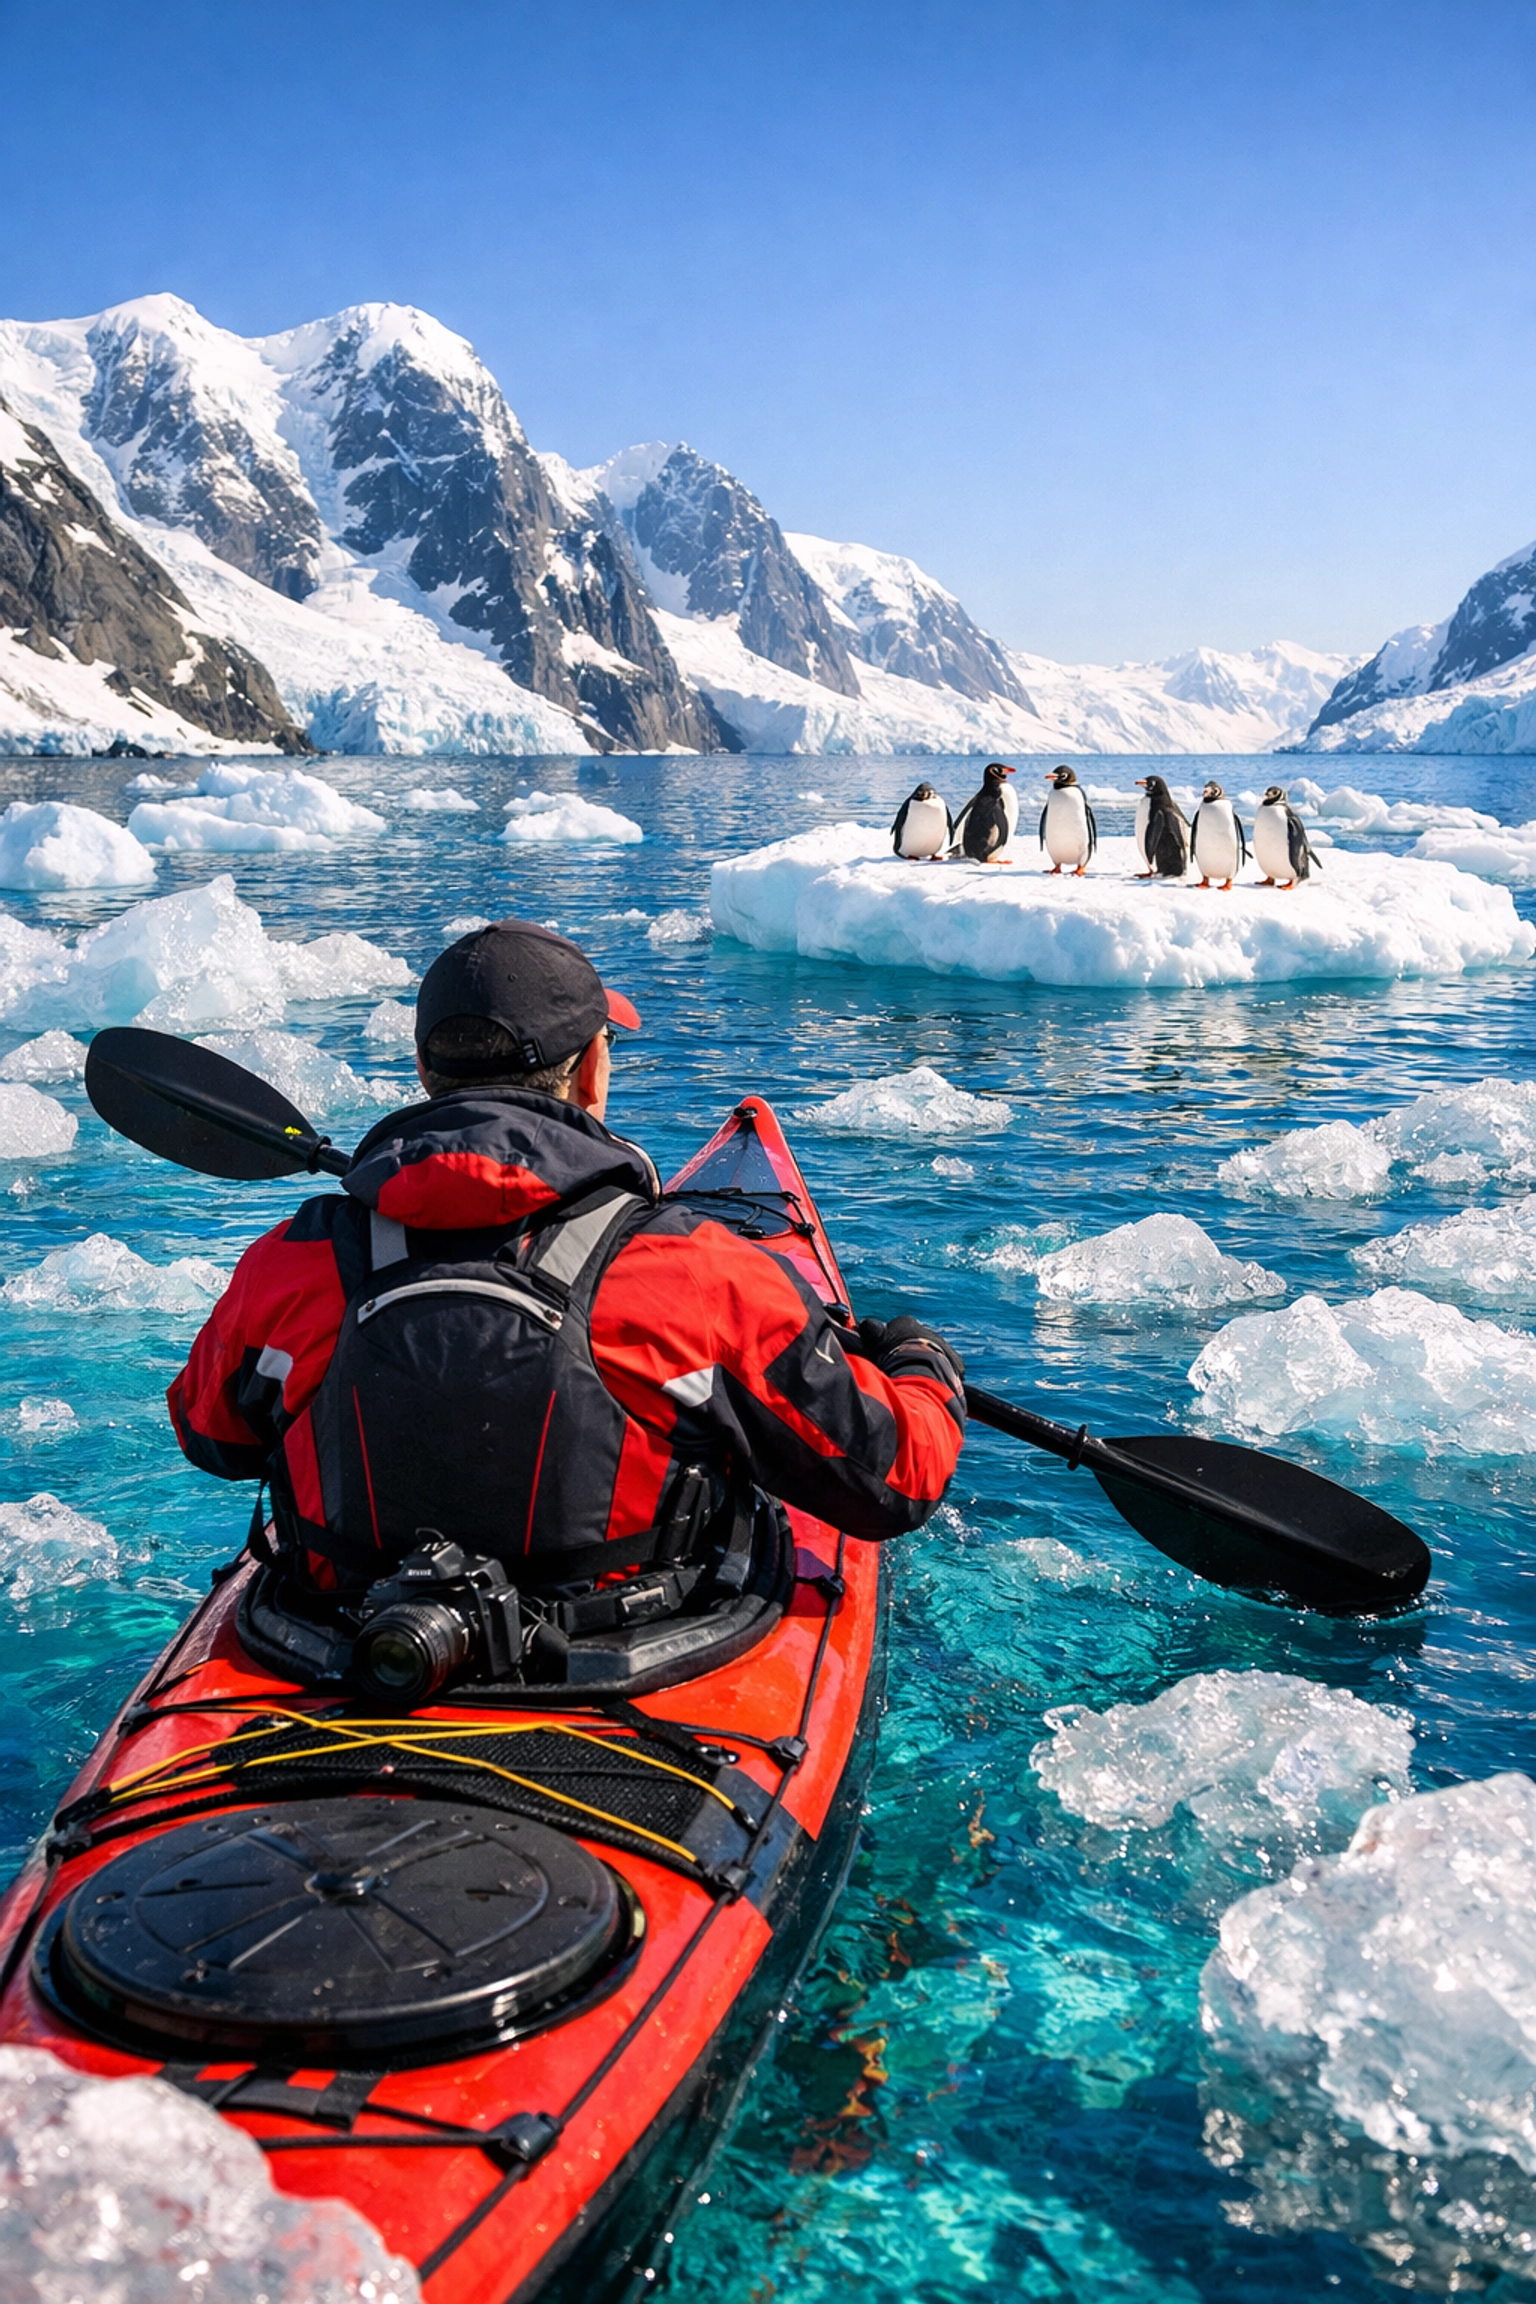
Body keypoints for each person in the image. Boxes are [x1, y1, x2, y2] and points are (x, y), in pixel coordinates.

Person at [168, 919, 966, 1636]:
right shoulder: (693, 1270)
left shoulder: (291, 1260)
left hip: (348, 1636)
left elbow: (212, 1439)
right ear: (590, 1072)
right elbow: (894, 1483)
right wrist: (924, 1369)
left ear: (423, 1070)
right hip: (630, 1648)